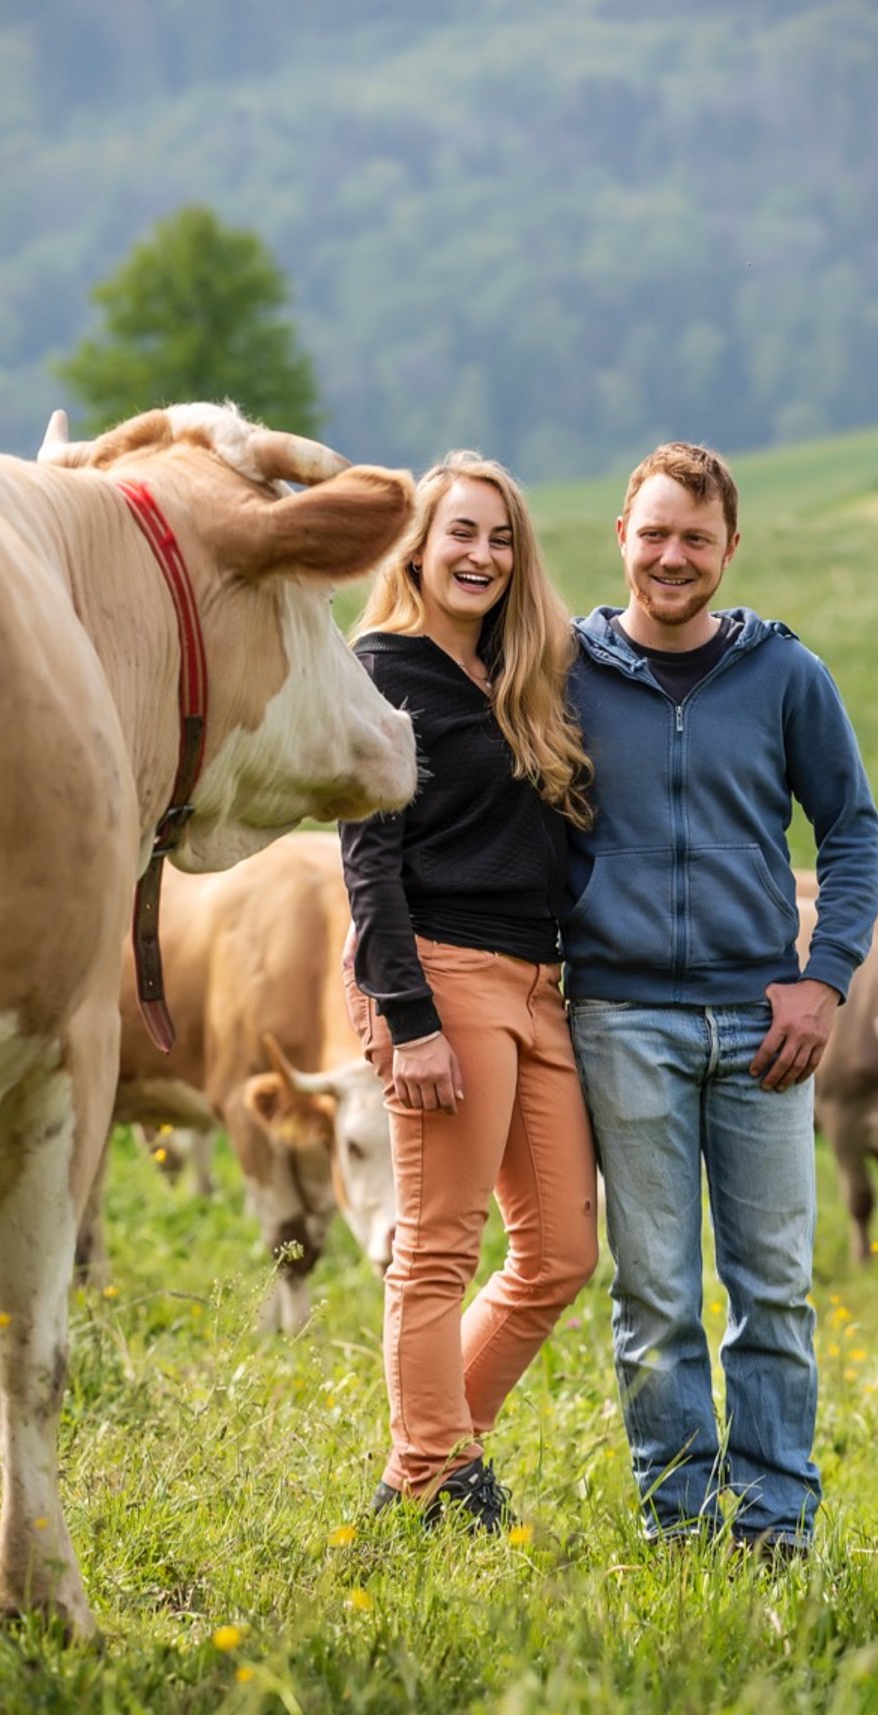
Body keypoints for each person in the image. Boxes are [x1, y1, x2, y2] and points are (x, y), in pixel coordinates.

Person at [563, 441, 878, 1555]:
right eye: (652, 533)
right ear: (620, 536)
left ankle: (778, 1526)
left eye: (694, 538)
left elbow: (850, 830)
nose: (671, 555)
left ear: (728, 549)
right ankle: (679, 1524)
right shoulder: (563, 672)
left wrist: (822, 978)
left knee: (774, 1292)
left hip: (764, 1027)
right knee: (652, 1293)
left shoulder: (784, 675)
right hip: (619, 1020)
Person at [339, 450, 598, 1529]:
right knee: (440, 1244)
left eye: (499, 538)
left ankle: (422, 1471)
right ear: (419, 544)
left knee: (560, 1254)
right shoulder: (380, 667)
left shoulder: (527, 673)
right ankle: (441, 1471)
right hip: (441, 975)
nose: (481, 554)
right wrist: (409, 1019)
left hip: (542, 986)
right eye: (460, 532)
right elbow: (365, 858)